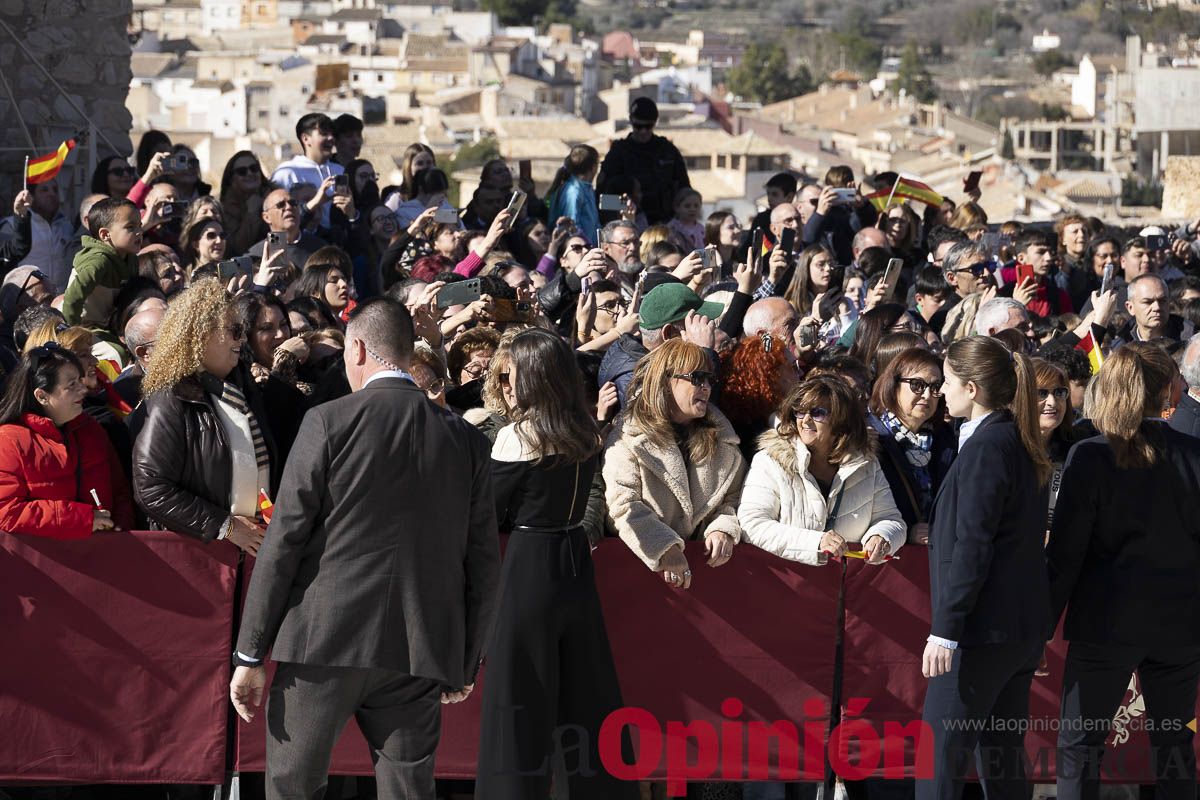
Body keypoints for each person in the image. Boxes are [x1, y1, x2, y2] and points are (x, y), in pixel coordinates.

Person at [228, 298, 501, 800]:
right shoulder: (466, 441)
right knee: (408, 792)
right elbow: (482, 561)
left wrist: (250, 652)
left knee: (293, 789)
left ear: (355, 349)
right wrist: (465, 661)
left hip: (322, 641)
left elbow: (284, 541)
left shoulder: (327, 421)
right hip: (419, 647)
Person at [476, 328, 638, 800]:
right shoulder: (585, 429)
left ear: (534, 376)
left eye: (510, 375)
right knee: (587, 697)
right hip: (575, 566)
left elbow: (484, 512)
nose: (505, 384)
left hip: (530, 565)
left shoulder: (517, 435)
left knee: (517, 700)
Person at [1049, 342, 1200, 800]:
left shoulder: (1091, 456)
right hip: (1179, 625)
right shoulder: (1193, 453)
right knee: (1174, 746)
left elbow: (1066, 553)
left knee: (1081, 746)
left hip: (1107, 624)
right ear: (1168, 390)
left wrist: (1039, 627)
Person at [918, 335, 1053, 800]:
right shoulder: (1018, 440)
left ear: (972, 389)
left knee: (938, 765)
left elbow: (974, 545)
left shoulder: (989, 446)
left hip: (979, 633)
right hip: (1015, 632)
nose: (941, 391)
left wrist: (946, 630)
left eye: (947, 381)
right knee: (1002, 763)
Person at [132, 279, 279, 552]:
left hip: (250, 548)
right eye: (234, 331)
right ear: (200, 335)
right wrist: (226, 526)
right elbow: (151, 488)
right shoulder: (171, 397)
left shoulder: (240, 387)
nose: (242, 339)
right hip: (202, 553)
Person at [604, 339, 744, 589]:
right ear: (665, 382)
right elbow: (622, 504)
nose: (706, 387)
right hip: (642, 584)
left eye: (709, 379)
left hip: (708, 584)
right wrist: (664, 547)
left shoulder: (724, 440)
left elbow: (735, 498)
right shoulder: (627, 436)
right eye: (697, 378)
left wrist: (722, 528)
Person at [739, 374, 906, 564]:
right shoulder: (769, 460)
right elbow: (752, 523)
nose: (805, 420)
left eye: (817, 413)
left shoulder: (867, 464)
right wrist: (816, 542)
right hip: (786, 580)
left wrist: (881, 537)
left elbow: (891, 520)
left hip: (847, 581)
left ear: (841, 420)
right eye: (799, 411)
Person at [0, 343, 133, 538]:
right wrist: (82, 519)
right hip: (49, 555)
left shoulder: (92, 429)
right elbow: (7, 511)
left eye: (80, 380)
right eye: (71, 385)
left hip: (104, 549)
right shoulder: (9, 441)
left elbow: (120, 489)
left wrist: (121, 526)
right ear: (42, 396)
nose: (83, 389)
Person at [867, 347, 955, 546]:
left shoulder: (946, 438)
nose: (927, 395)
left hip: (935, 550)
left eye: (935, 387)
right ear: (894, 385)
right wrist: (905, 531)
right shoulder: (871, 437)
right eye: (917, 385)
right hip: (888, 553)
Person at [595, 97, 689, 225]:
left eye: (648, 126)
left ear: (655, 123)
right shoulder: (618, 153)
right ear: (631, 121)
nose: (643, 131)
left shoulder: (668, 151)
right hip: (630, 224)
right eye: (638, 126)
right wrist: (631, 206)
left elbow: (685, 191)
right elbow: (603, 201)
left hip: (665, 224)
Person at [63, 197, 142, 328]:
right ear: (105, 235)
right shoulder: (97, 261)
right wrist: (71, 331)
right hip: (87, 326)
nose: (139, 232)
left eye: (140, 226)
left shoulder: (131, 259)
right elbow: (72, 298)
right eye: (130, 227)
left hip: (110, 326)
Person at [270, 113, 344, 228]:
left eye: (332, 134)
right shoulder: (286, 173)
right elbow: (275, 218)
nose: (331, 138)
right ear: (306, 139)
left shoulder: (340, 171)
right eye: (324, 134)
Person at [547, 144, 601, 246]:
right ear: (593, 167)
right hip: (579, 248)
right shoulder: (573, 192)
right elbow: (572, 227)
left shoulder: (587, 189)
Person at [219, 150, 270, 257]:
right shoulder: (225, 210)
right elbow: (239, 248)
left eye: (254, 168)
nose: (250, 174)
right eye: (242, 171)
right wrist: (252, 212)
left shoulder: (276, 198)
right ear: (232, 179)